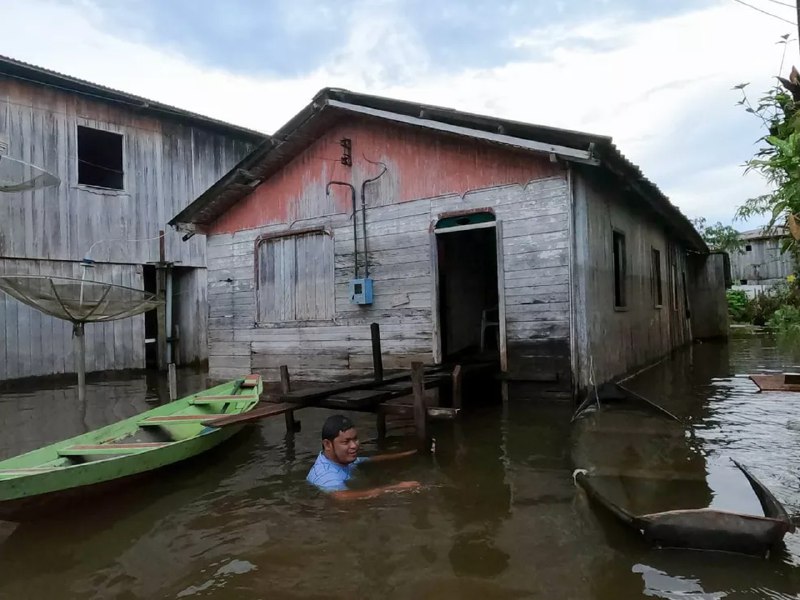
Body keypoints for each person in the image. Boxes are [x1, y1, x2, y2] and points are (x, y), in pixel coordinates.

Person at [307, 414, 421, 500]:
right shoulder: (325, 474)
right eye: (346, 442)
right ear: (327, 444)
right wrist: (395, 488)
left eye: (355, 439)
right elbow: (342, 496)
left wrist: (407, 454)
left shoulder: (342, 459)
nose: (354, 446)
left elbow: (370, 460)